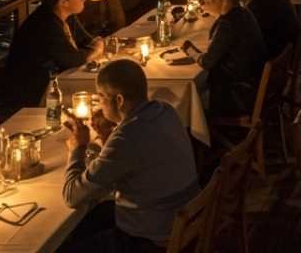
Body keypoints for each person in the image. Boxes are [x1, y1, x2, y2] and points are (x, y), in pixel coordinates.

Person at [61, 59, 199, 252]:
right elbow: (138, 155)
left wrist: (77, 148)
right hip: (183, 221)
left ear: (119, 100)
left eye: (101, 98)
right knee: (89, 219)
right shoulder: (165, 110)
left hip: (152, 239)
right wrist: (110, 134)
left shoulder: (126, 138)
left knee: (64, 244)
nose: (99, 106)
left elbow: (72, 195)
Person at [0, 0, 105, 110]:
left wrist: (92, 48)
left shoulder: (66, 16)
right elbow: (73, 60)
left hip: (54, 81)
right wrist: (95, 51)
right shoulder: (45, 24)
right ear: (63, 2)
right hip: (34, 92)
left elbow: (87, 41)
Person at [182, 0, 267, 117]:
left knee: (190, 94)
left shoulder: (226, 24)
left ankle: (196, 133)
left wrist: (189, 50)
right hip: (254, 82)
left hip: (237, 94)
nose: (204, 0)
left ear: (223, 0)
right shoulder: (243, 12)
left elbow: (207, 62)